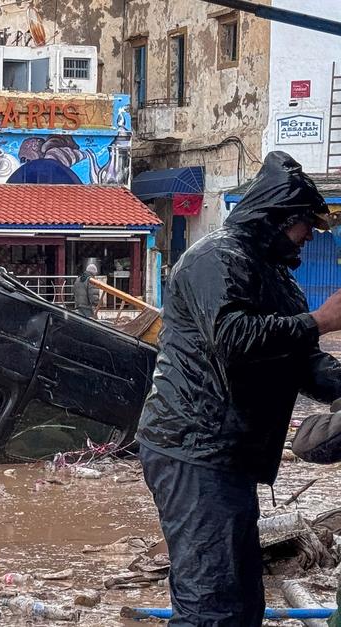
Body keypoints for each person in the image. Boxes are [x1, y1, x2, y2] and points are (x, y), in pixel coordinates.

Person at [137, 152, 341, 626]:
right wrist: (321, 320)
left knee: (242, 598)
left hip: (229, 453)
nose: (310, 235)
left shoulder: (278, 280)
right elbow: (233, 338)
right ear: (277, 219)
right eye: (304, 225)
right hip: (191, 445)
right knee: (210, 602)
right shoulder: (214, 258)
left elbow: (304, 362)